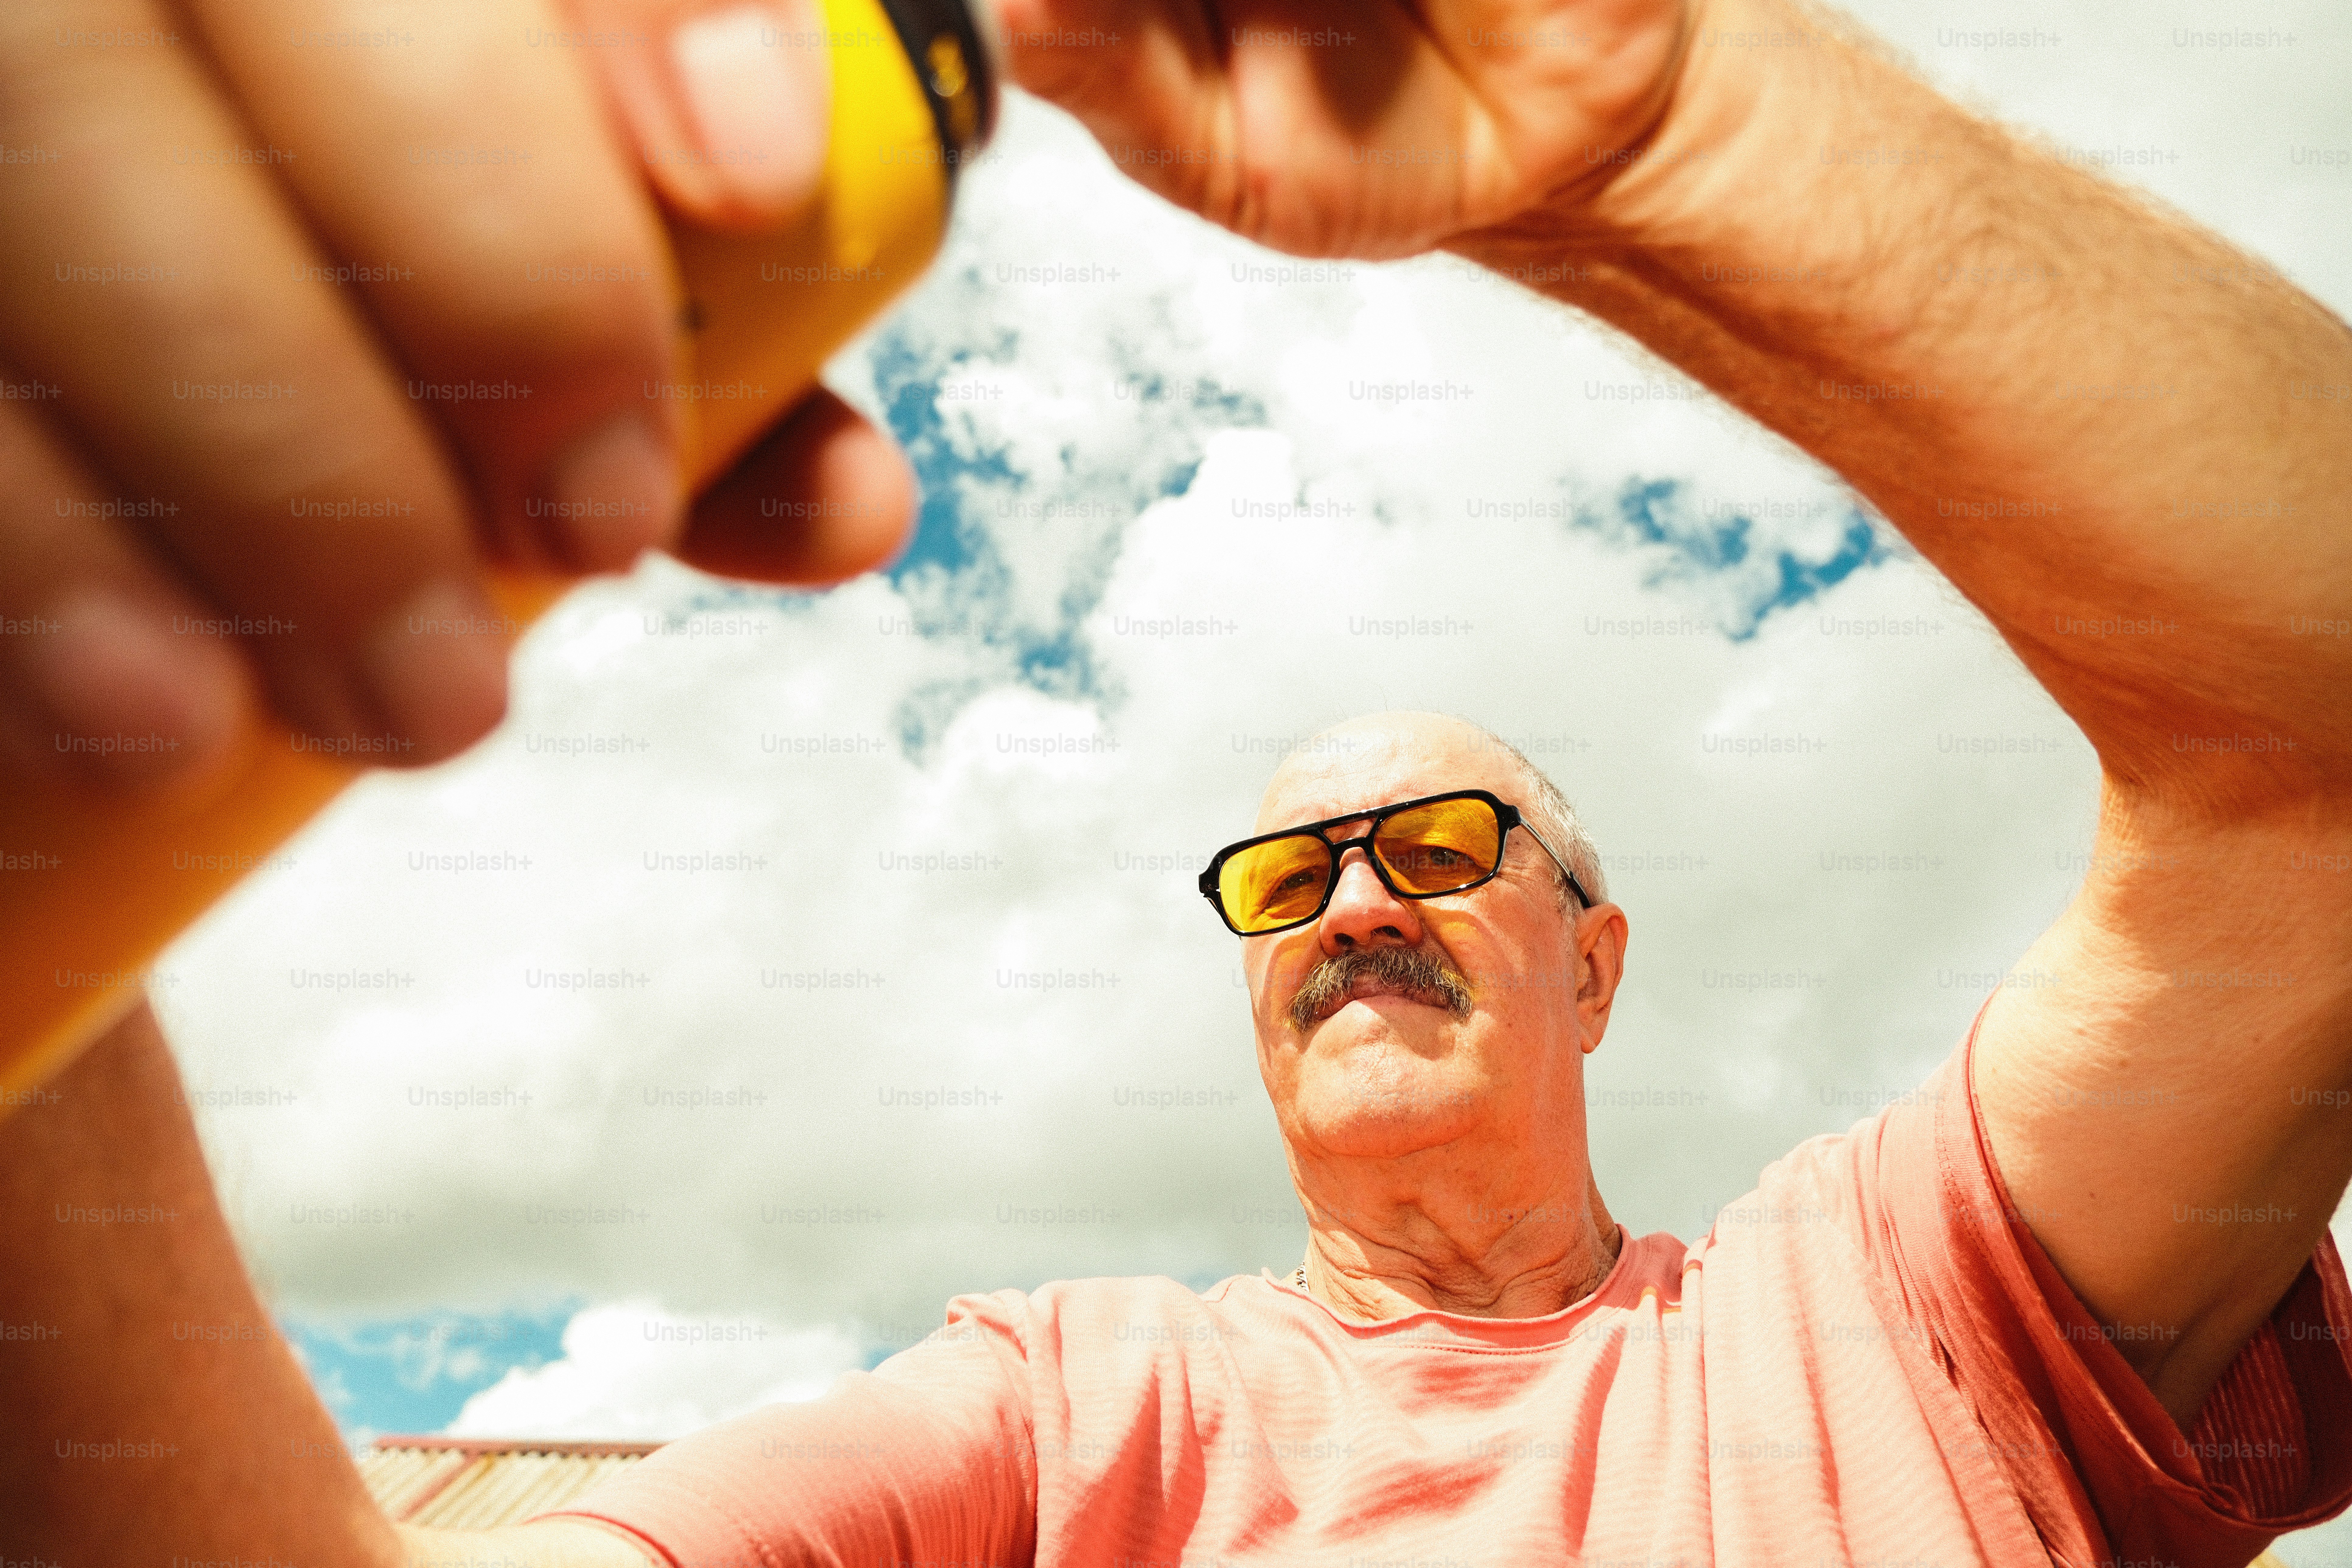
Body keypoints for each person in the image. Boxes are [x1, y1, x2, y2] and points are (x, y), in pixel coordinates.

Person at [2, 0, 2347, 1561]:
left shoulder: (1895, 1301)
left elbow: (2314, 777)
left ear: (1599, 958)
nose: (1351, 905)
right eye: (1286, 876)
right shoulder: (1068, 1413)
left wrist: (1660, 127)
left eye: (1437, 845)